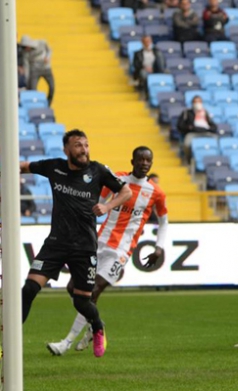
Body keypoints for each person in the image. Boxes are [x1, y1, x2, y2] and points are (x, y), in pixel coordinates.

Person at [19, 129, 133, 358]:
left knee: (82, 301)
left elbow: (126, 191)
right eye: (78, 145)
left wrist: (108, 206)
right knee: (29, 289)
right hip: (56, 243)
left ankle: (98, 326)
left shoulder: (98, 170)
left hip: (84, 247)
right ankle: (10, 340)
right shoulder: (54, 167)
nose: (84, 149)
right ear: (67, 149)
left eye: (86, 145)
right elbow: (23, 166)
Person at [46, 147, 168, 356]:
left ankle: (66, 343)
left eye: (149, 160)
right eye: (141, 159)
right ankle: (96, 325)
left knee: (91, 292)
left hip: (121, 249)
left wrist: (159, 247)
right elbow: (97, 203)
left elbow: (164, 221)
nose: (145, 163)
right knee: (72, 287)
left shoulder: (156, 192)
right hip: (98, 242)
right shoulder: (118, 180)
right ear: (133, 161)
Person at [177, 95, 218, 162]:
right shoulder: (187, 113)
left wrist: (208, 129)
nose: (198, 104)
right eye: (195, 102)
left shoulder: (205, 113)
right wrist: (189, 128)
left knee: (217, 141)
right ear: (192, 103)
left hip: (206, 132)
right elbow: (180, 126)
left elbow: (214, 126)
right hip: (193, 133)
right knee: (186, 144)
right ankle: (188, 159)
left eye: (199, 102)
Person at [20, 35, 55, 106]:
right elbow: (27, 67)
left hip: (46, 68)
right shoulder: (25, 53)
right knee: (33, 89)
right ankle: (35, 105)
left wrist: (47, 57)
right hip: (35, 70)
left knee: (52, 87)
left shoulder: (41, 42)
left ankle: (48, 104)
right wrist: (26, 80)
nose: (25, 49)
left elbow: (49, 50)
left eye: (26, 46)